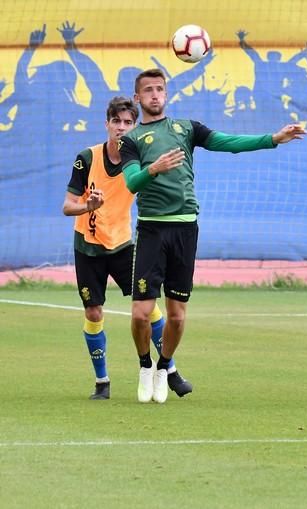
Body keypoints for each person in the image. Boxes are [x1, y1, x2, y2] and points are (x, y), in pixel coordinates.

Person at [120, 68, 307, 404]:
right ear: (137, 98)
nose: (154, 95)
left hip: (184, 228)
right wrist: (154, 169)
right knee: (139, 313)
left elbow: (227, 142)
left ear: (166, 94)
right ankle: (144, 364)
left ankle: (164, 367)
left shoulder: (186, 128)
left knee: (177, 315)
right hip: (151, 229)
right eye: (147, 90)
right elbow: (132, 182)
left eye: (159, 89)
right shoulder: (131, 141)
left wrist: (273, 139)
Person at [62, 96, 193, 400]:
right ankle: (102, 382)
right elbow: (67, 206)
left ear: (135, 126)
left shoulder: (140, 158)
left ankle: (169, 371)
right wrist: (86, 205)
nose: (121, 128)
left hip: (123, 245)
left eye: (128, 122)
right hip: (88, 247)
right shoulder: (86, 158)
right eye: (116, 122)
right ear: (106, 124)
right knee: (94, 312)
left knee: (150, 309)